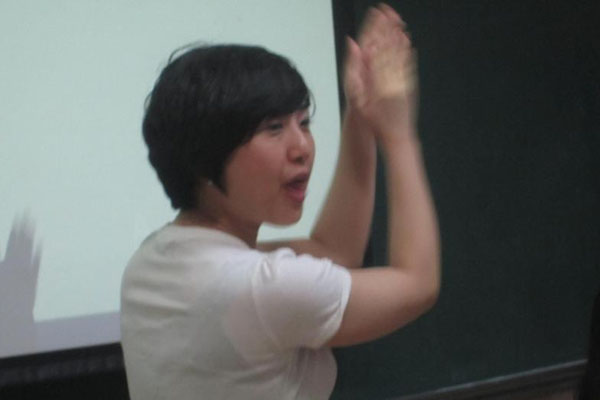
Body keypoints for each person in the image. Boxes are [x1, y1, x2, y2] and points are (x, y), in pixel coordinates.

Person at [120, 4, 440, 400]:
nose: (302, 146)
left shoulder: (151, 260)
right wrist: (399, 134)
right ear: (203, 158)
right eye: (274, 128)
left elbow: (334, 251)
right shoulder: (256, 288)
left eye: (304, 123)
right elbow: (418, 284)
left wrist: (361, 116)